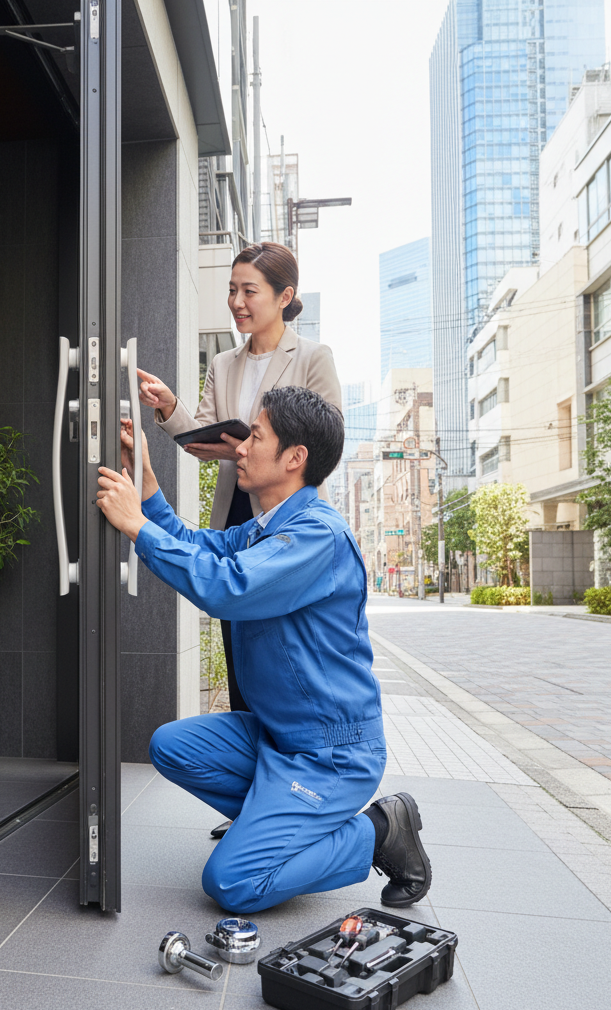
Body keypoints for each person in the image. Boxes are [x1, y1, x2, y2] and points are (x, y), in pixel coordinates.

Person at [96, 386, 431, 914]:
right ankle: (277, 821)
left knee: (233, 883)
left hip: (329, 755)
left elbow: (226, 586)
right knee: (171, 745)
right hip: (278, 737)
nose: (241, 448)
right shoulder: (267, 528)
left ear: (294, 458)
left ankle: (380, 831)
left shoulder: (317, 536)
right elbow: (199, 545)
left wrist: (135, 527)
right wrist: (149, 492)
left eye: (255, 436)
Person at [137, 242, 341, 725]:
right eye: (232, 290)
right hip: (236, 512)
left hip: (288, 515)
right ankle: (249, 748)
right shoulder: (223, 363)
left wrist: (241, 447)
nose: (237, 302)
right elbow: (200, 436)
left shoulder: (313, 356)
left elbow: (326, 442)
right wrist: (170, 408)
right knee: (238, 642)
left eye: (250, 291)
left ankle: (292, 755)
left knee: (284, 642)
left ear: (284, 295)